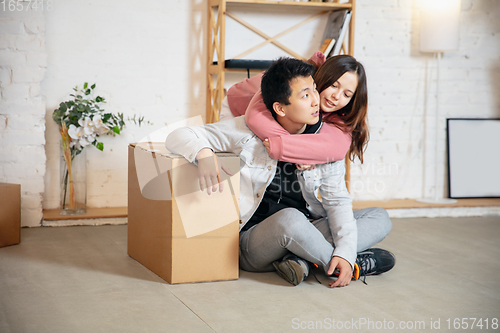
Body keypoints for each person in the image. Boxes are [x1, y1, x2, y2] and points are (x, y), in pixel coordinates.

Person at [166, 57, 394, 288]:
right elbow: (177, 136)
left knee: (379, 217)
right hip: (254, 240)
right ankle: (349, 266)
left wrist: (344, 250)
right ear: (280, 107)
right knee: (290, 219)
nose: (317, 100)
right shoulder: (247, 131)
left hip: (306, 226)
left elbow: (337, 201)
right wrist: (204, 154)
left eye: (315, 90)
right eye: (306, 95)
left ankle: (302, 259)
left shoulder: (324, 143)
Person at [221, 52, 368, 168]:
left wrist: (305, 154)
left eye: (346, 94)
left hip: (278, 116)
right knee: (232, 165)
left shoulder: (338, 112)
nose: (336, 96)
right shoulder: (296, 78)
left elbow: (337, 148)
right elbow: (255, 117)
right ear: (324, 76)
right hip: (238, 107)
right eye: (334, 86)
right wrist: (299, 151)